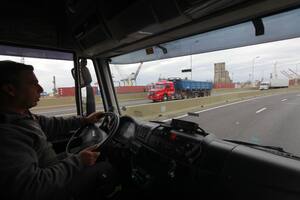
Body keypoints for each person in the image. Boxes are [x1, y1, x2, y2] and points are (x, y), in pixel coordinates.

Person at [0, 61, 117, 200]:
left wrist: (84, 120)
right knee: (105, 168)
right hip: (50, 190)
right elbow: (31, 187)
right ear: (10, 90)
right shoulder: (7, 133)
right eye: (33, 83)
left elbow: (51, 124)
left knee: (88, 151)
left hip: (49, 168)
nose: (41, 88)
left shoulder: (22, 115)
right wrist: (78, 161)